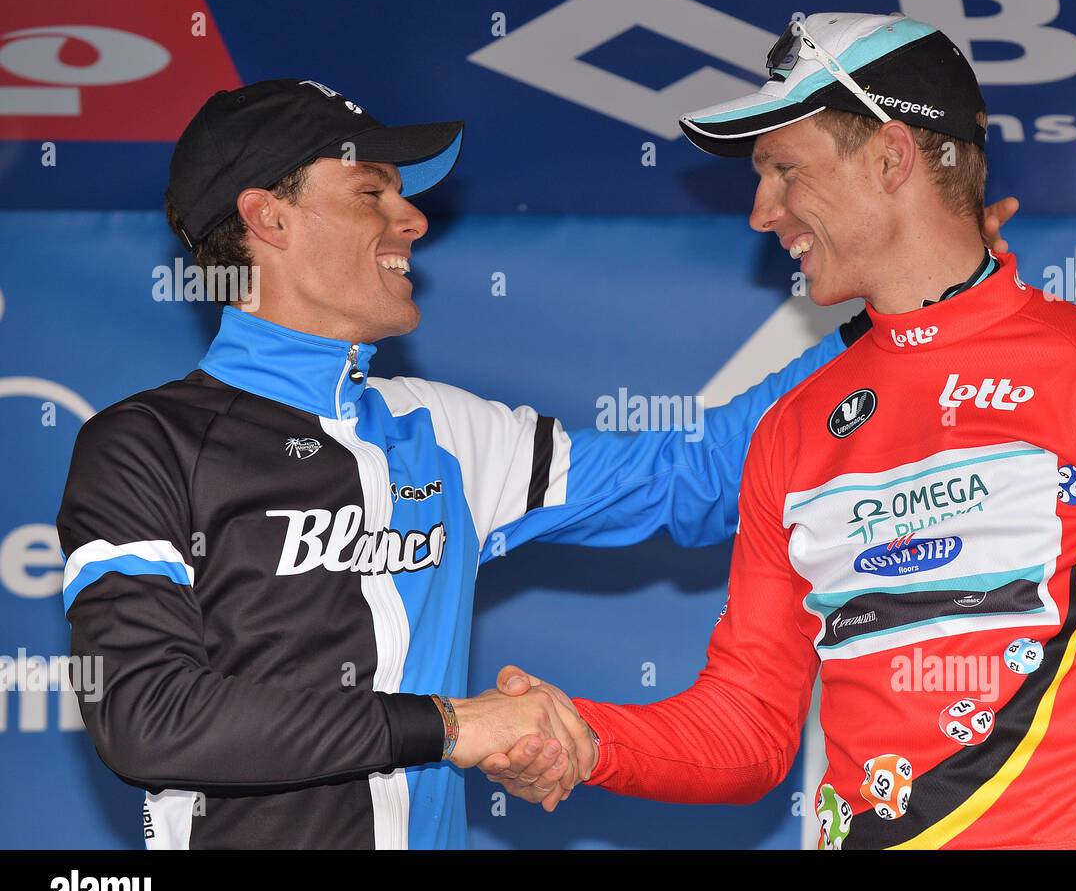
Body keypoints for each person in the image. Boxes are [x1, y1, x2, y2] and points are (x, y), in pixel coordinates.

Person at [55, 75, 1017, 849]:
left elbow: (693, 474)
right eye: (371, 192)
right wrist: (451, 724)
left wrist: (895, 318)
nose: (413, 219)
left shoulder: (441, 430)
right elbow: (149, 719)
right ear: (267, 219)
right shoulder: (144, 445)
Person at [486, 13, 1076, 849]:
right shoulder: (795, 426)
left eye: (783, 170)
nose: (762, 213)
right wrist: (584, 738)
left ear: (891, 155)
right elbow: (750, 725)